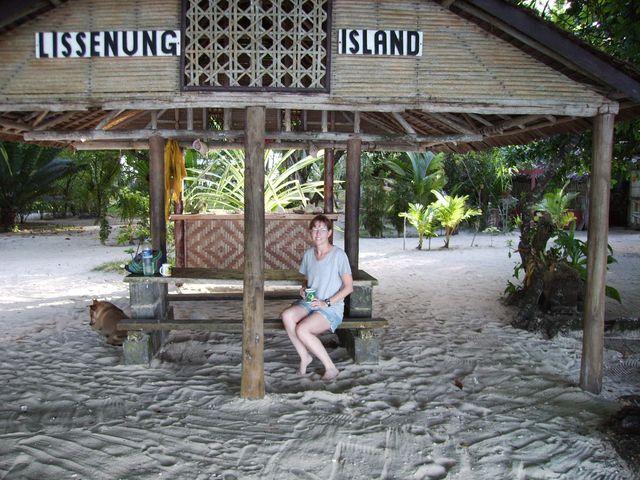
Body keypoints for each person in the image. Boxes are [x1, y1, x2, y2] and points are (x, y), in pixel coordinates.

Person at [281, 214, 353, 380]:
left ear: (329, 233)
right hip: (309, 302)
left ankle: (331, 367)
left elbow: (349, 287)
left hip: (330, 307)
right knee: (287, 316)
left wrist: (325, 302)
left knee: (303, 329)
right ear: (310, 233)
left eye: (322, 229)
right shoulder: (308, 255)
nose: (318, 233)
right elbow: (306, 282)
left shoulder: (338, 255)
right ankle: (304, 356)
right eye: (314, 229)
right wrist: (303, 290)